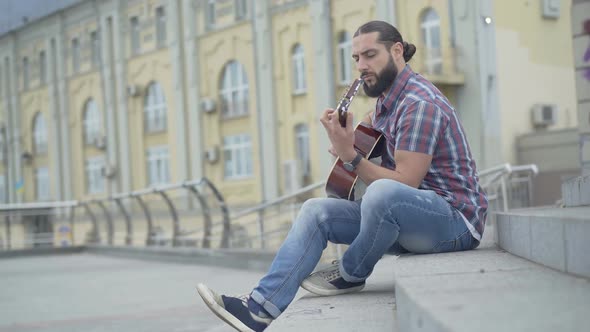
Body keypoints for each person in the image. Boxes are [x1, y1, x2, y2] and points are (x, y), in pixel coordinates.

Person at [196, 20, 488, 332]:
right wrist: (346, 136)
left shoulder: (419, 103)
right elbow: (367, 132)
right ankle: (259, 308)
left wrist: (351, 156)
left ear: (397, 51)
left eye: (370, 55)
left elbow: (404, 182)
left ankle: (351, 272)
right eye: (356, 58)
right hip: (411, 221)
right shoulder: (387, 102)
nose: (361, 67)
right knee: (315, 211)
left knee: (381, 193)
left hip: (455, 223)